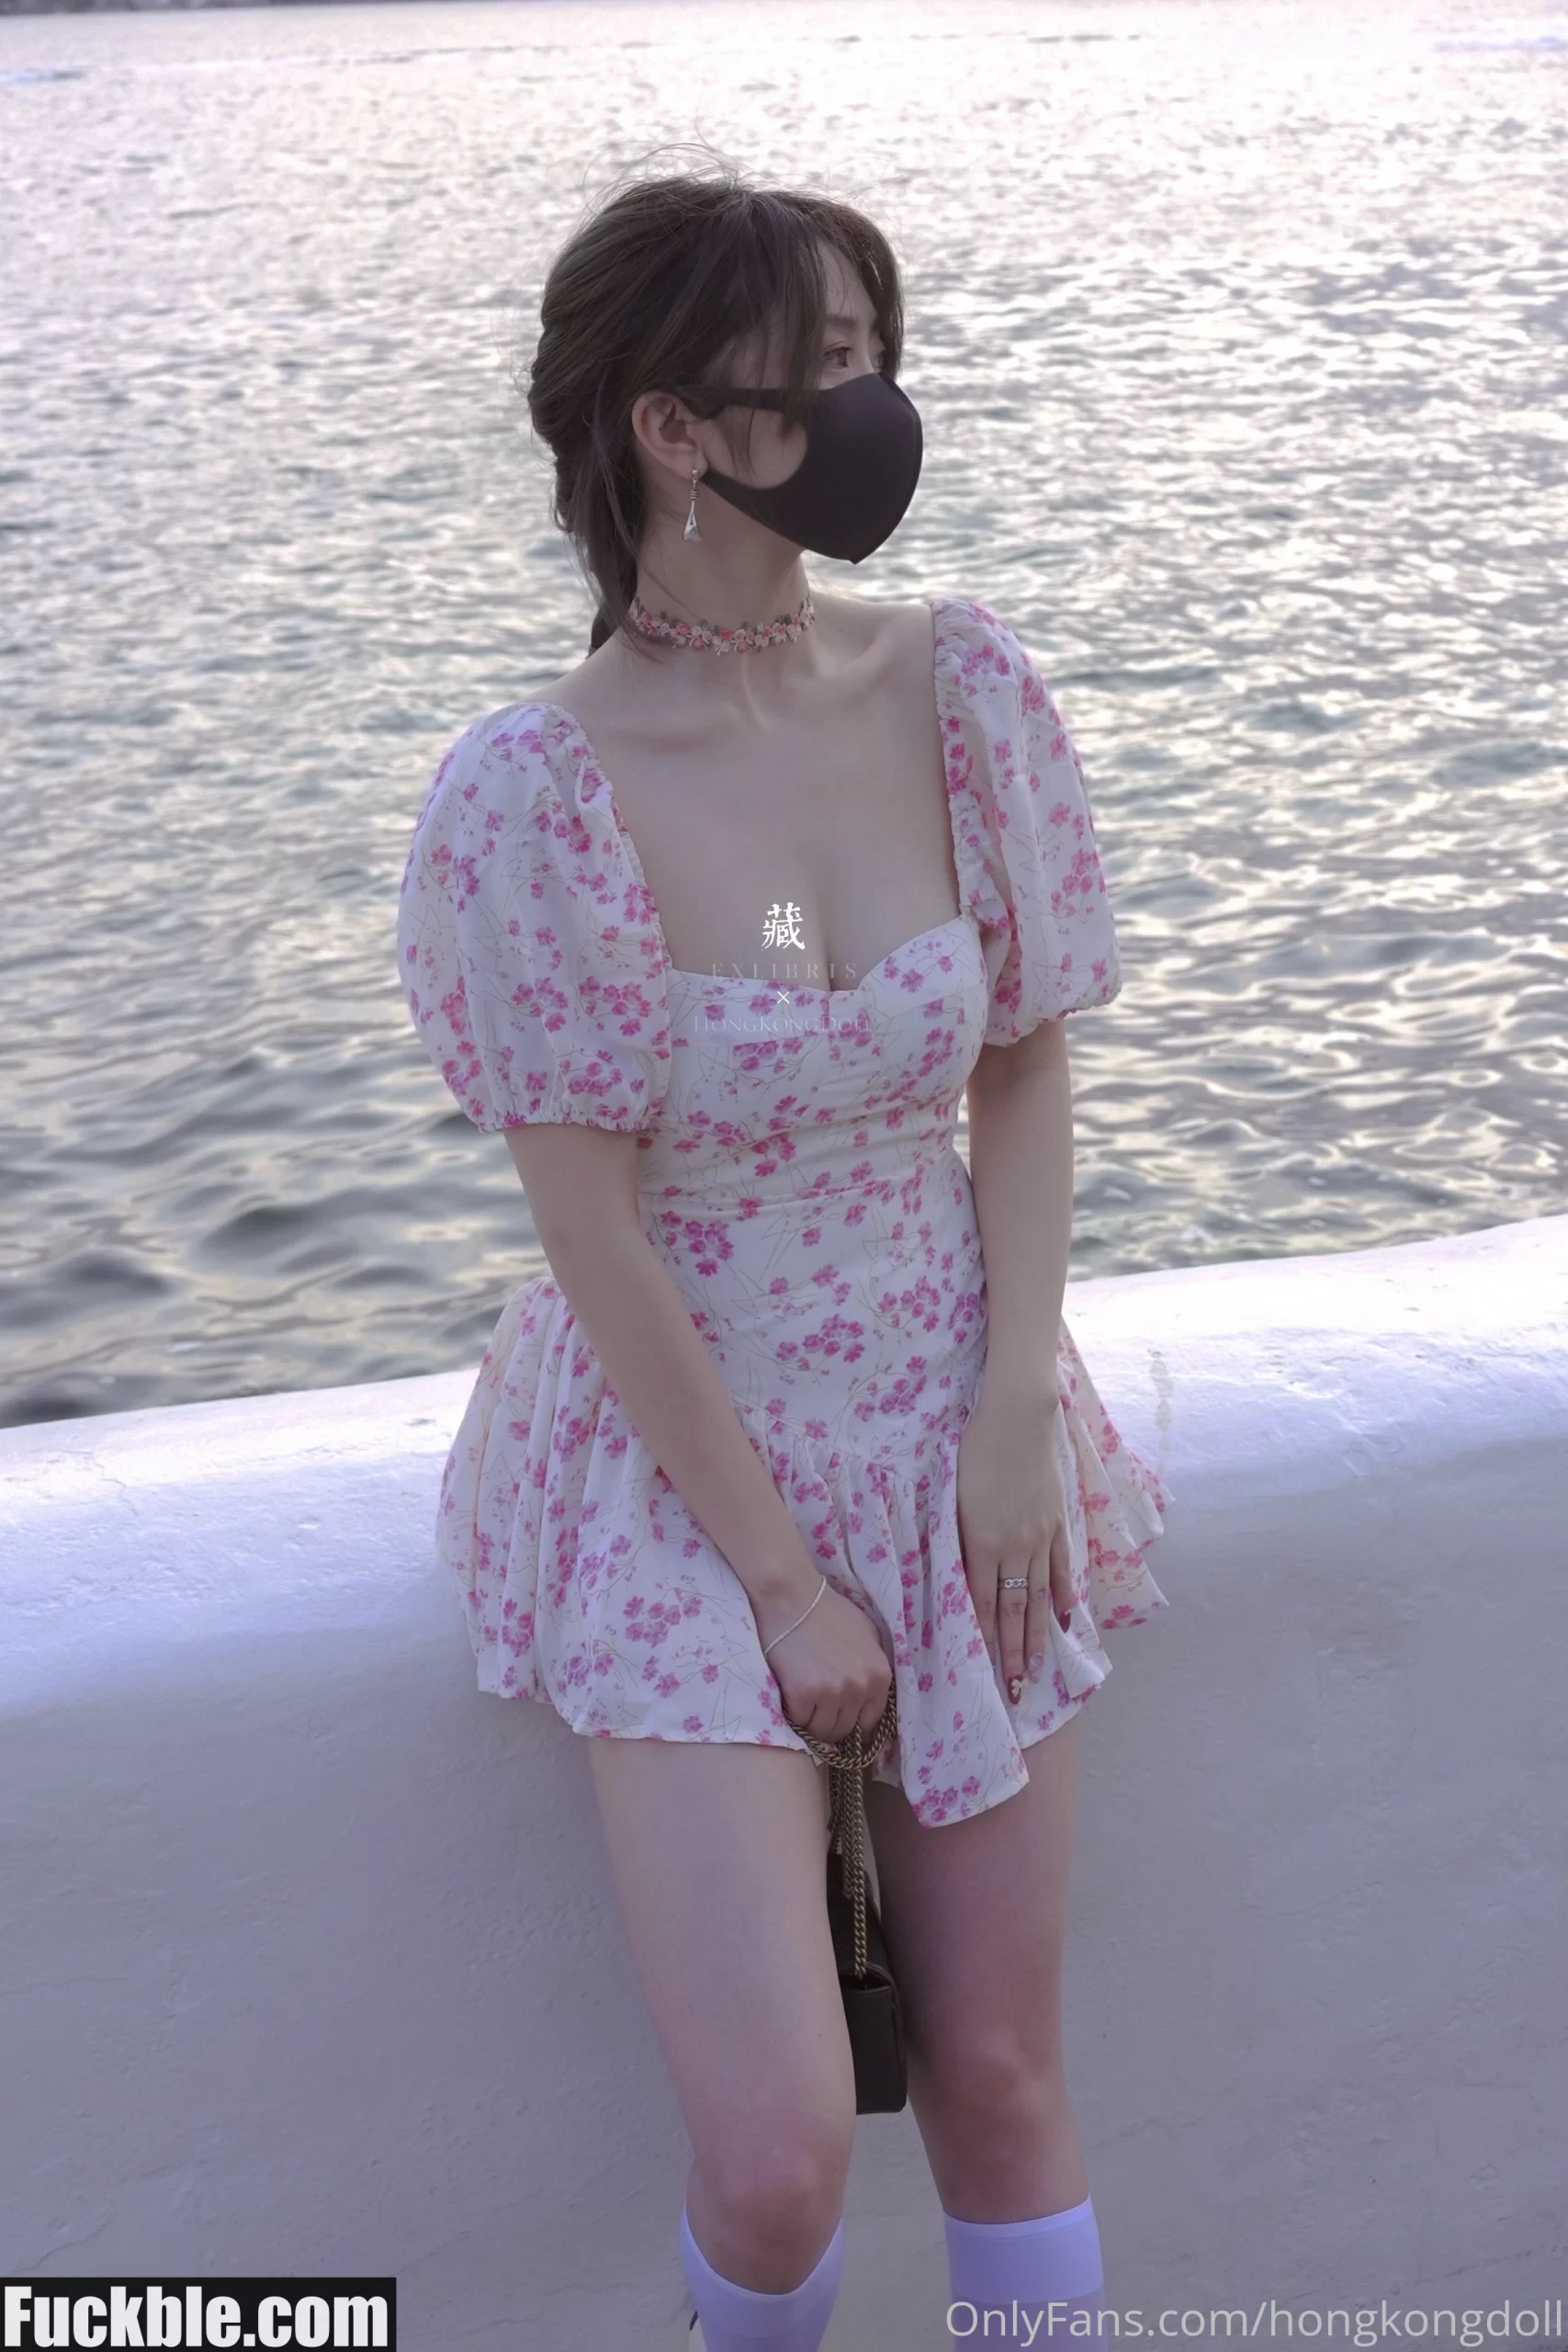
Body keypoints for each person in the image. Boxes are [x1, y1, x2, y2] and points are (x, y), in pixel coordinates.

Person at [395, 164, 1171, 2352]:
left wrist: (1008, 1414)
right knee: (775, 2147)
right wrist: (782, 1582)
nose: (868, 403)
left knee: (998, 2071)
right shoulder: (537, 793)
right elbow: (587, 1226)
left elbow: (1022, 1059)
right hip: (682, 1462)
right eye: (818, 367)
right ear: (669, 425)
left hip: (950, 1413)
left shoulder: (956, 686)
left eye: (869, 352)